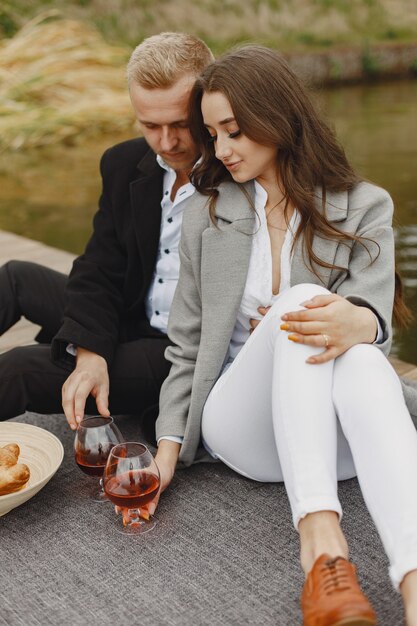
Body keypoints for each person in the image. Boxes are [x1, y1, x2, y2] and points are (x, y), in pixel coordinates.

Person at [150, 46, 417, 625]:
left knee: (365, 359)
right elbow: (187, 345)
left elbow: (373, 321)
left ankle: (414, 582)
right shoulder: (209, 213)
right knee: (304, 303)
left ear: (277, 117)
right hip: (243, 427)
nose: (221, 149)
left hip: (334, 440)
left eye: (234, 131)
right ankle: (322, 549)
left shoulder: (364, 206)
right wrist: (168, 447)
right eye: (213, 134)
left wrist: (365, 323)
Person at [0, 32, 213, 430]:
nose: (166, 142)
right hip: (131, 316)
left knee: (19, 369)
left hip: (180, 353)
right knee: (15, 278)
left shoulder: (240, 170)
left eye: (182, 124)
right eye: (150, 125)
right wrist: (89, 347)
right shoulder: (123, 162)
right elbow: (99, 266)